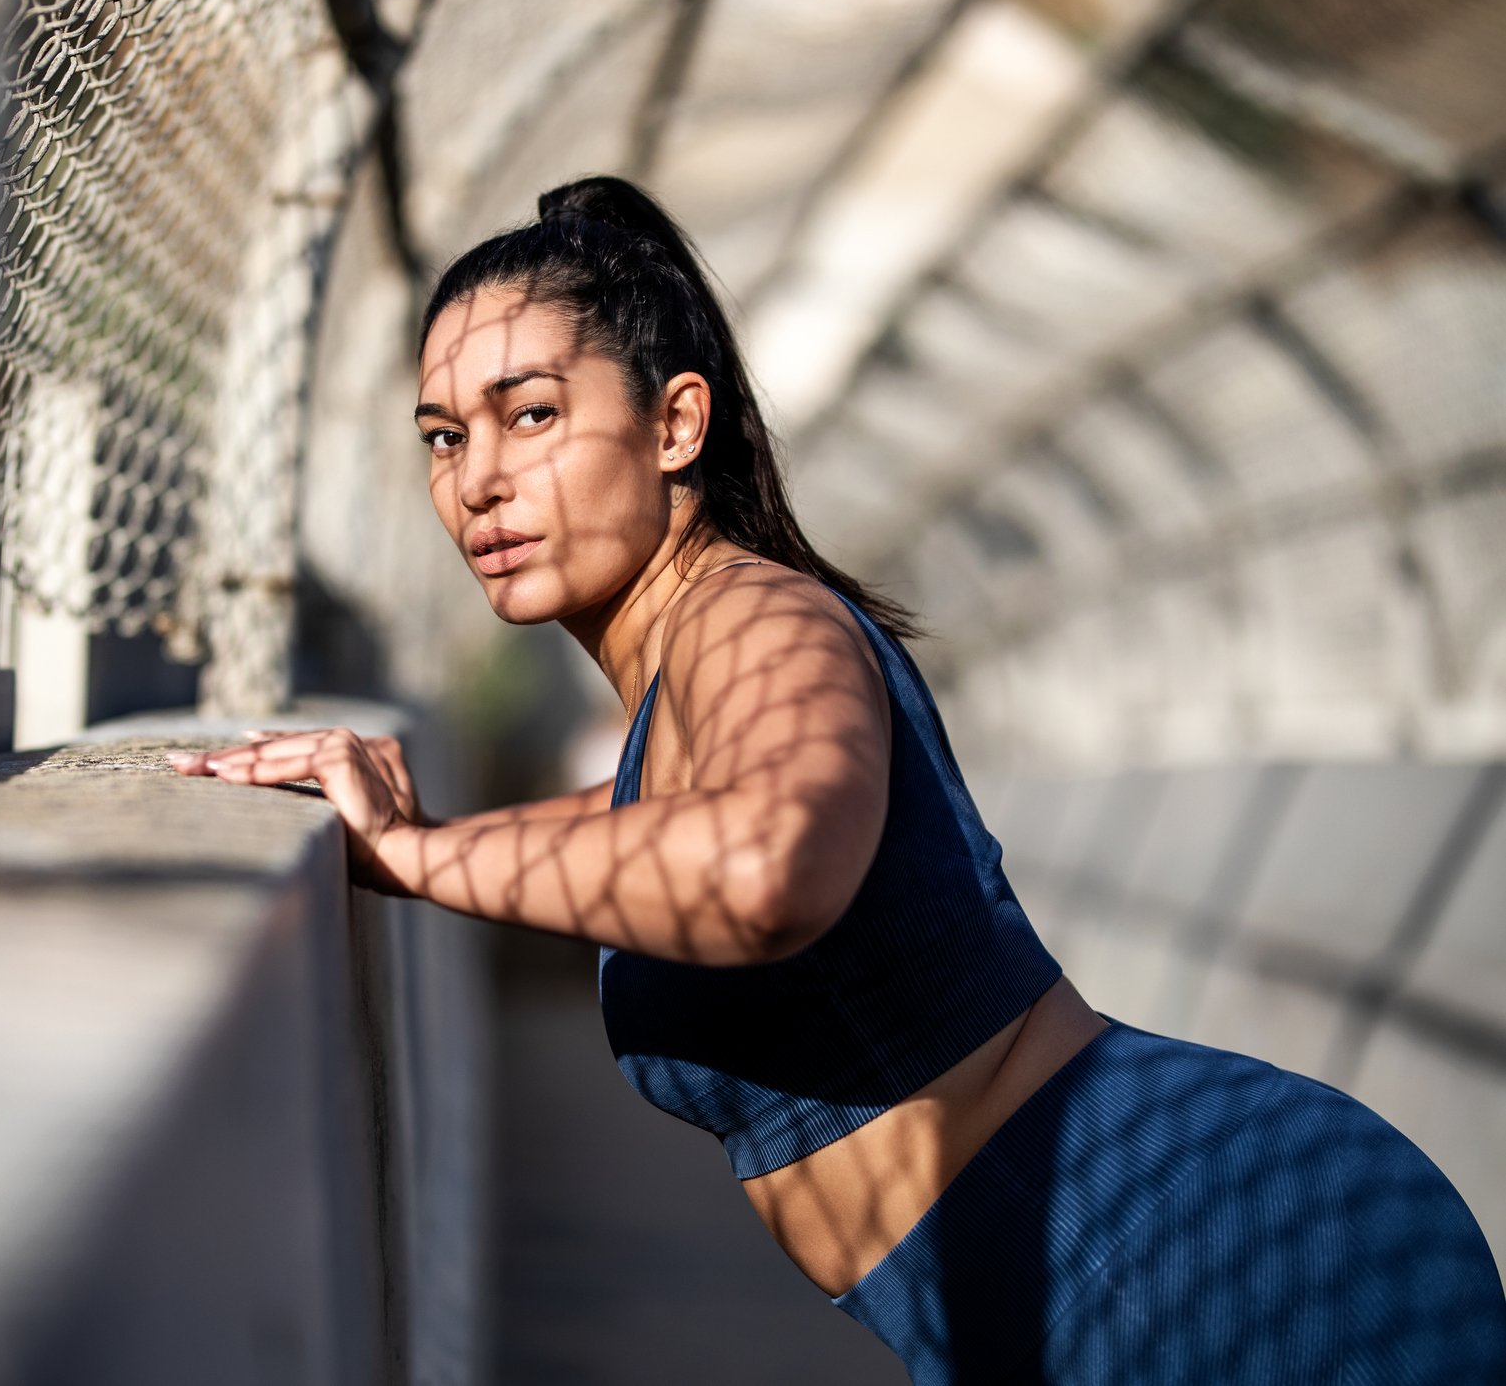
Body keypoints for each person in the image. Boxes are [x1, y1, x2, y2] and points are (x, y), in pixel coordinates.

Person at [168, 176, 1506, 1382]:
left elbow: (761, 871)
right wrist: (407, 831)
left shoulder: (756, 620)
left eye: (530, 414)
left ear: (672, 422)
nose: (479, 482)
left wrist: (408, 856)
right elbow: (627, 830)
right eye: (442, 436)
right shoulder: (682, 675)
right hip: (1050, 1267)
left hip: (1193, 1250)